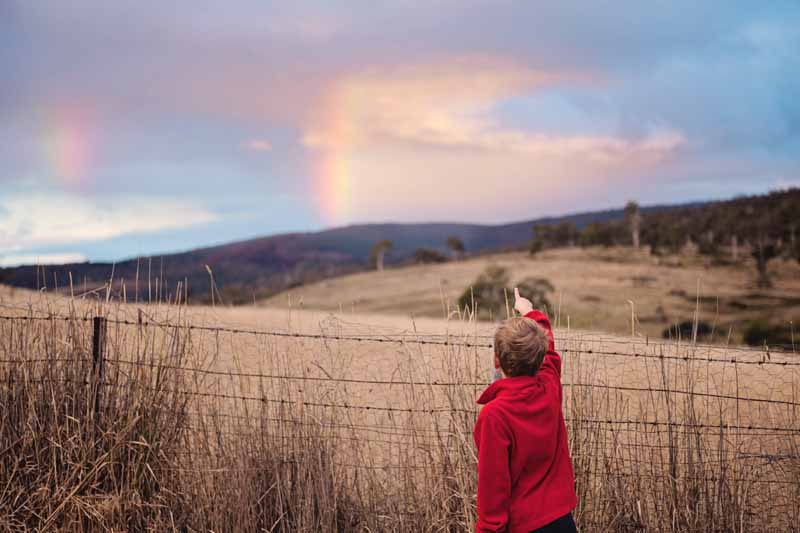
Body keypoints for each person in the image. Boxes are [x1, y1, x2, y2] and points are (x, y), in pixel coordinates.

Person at [473, 288, 577, 533]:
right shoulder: (549, 387)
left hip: (523, 526)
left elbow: (493, 489)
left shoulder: (494, 416)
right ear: (540, 360)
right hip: (562, 520)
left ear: (497, 360)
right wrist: (530, 311)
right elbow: (549, 350)